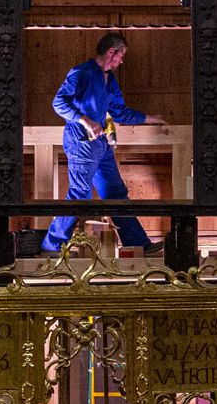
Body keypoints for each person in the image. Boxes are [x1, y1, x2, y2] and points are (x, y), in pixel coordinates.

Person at [42, 33, 164, 255]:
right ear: (111, 52)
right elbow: (58, 103)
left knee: (115, 193)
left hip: (100, 144)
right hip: (81, 141)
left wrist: (149, 119)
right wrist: (85, 120)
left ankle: (138, 244)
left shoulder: (110, 80)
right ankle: (52, 247)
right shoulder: (81, 73)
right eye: (121, 55)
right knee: (80, 194)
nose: (122, 61)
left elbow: (119, 112)